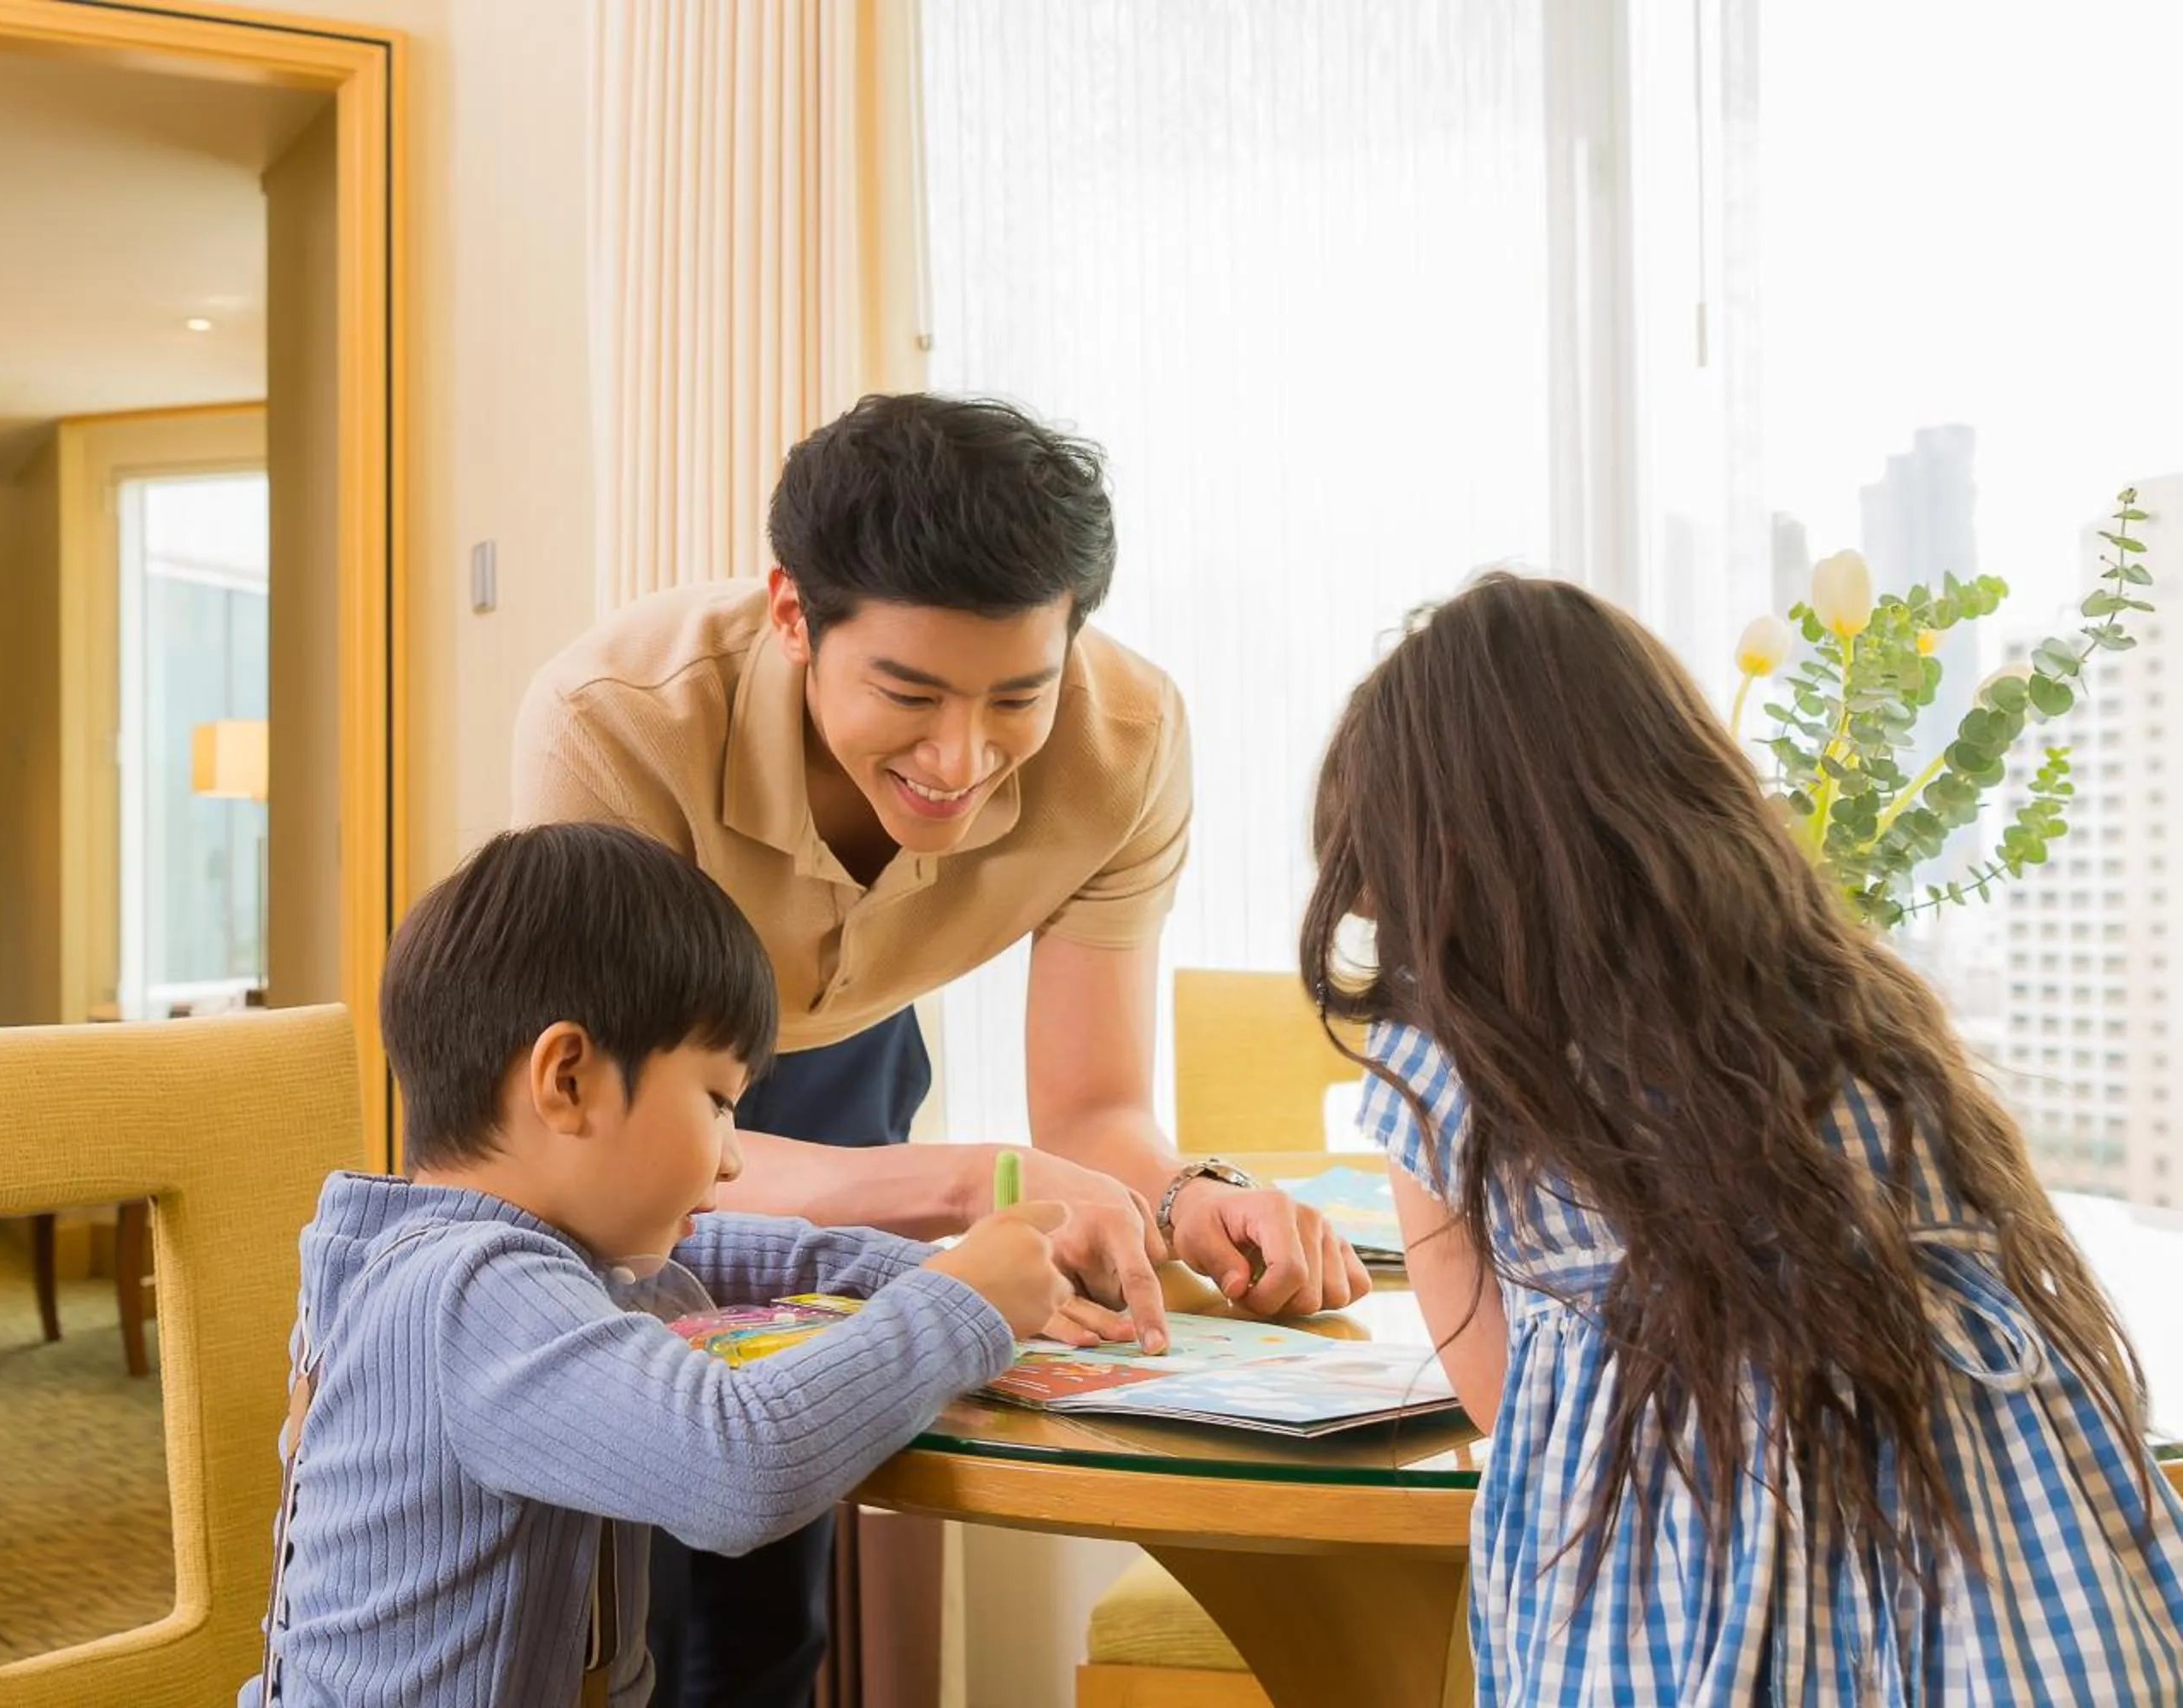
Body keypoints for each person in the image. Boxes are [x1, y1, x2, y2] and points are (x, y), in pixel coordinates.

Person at [513, 391, 1371, 1706]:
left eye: (1017, 697)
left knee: (775, 1552)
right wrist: (976, 1183)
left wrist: (1189, 1191)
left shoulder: (1126, 742)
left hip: (846, 1057)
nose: (959, 759)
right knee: (623, 1550)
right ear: (793, 614)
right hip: (600, 1103)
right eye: (906, 693)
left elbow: (1091, 1108)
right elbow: (619, 1159)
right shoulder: (618, 720)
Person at [1299, 570, 2183, 1703]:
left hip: (1673, 1612)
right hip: (2008, 1603)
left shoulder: (1453, 1066)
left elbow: (1494, 1391)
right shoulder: (1861, 1008)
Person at [244, 822, 1074, 1708]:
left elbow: (729, 1252)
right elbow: (738, 1466)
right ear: (567, 1079)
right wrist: (957, 1302)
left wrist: (925, 1268)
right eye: (718, 1101)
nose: (732, 1158)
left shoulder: (480, 1255)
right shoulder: (473, 1291)